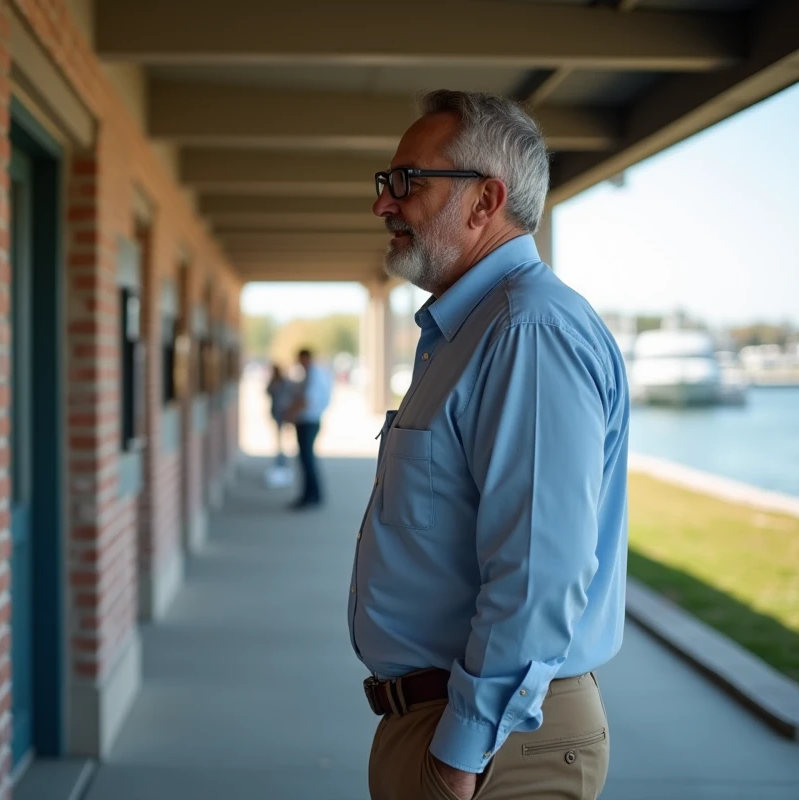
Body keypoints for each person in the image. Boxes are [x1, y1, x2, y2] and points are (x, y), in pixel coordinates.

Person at [353, 89, 629, 800]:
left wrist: (457, 759)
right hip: (458, 729)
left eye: (407, 181)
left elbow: (538, 574)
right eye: (388, 182)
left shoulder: (527, 333)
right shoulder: (470, 332)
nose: (385, 203)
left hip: (500, 745)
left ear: (484, 201)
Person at [283, 348, 332, 509]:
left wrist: (291, 413)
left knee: (307, 459)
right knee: (306, 459)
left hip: (308, 421)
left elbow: (307, 400)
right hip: (308, 421)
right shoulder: (311, 374)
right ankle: (311, 494)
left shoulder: (314, 375)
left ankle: (311, 496)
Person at [265, 363, 294, 466]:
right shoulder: (274, 381)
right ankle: (280, 454)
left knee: (286, 434)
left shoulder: (285, 382)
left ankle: (284, 455)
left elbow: (291, 394)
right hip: (276, 411)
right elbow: (267, 391)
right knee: (279, 434)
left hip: (284, 410)